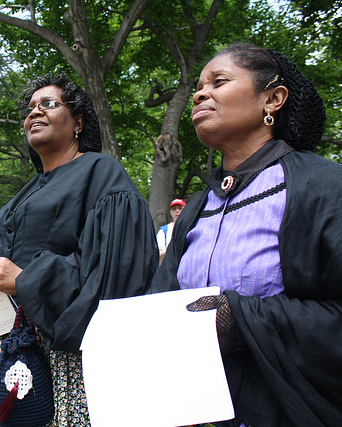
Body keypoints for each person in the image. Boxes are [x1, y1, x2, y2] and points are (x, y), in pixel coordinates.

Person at [0, 73, 158, 425]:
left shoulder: (102, 174)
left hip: (66, 358)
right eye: (30, 109)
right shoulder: (22, 196)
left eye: (49, 104)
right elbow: (4, 275)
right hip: (5, 352)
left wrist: (25, 280)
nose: (34, 113)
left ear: (78, 123)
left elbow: (117, 277)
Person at [151, 42, 342, 425]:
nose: (200, 94)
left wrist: (238, 317)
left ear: (272, 99)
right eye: (198, 88)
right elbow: (162, 307)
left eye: (218, 81)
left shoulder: (324, 187)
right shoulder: (196, 210)